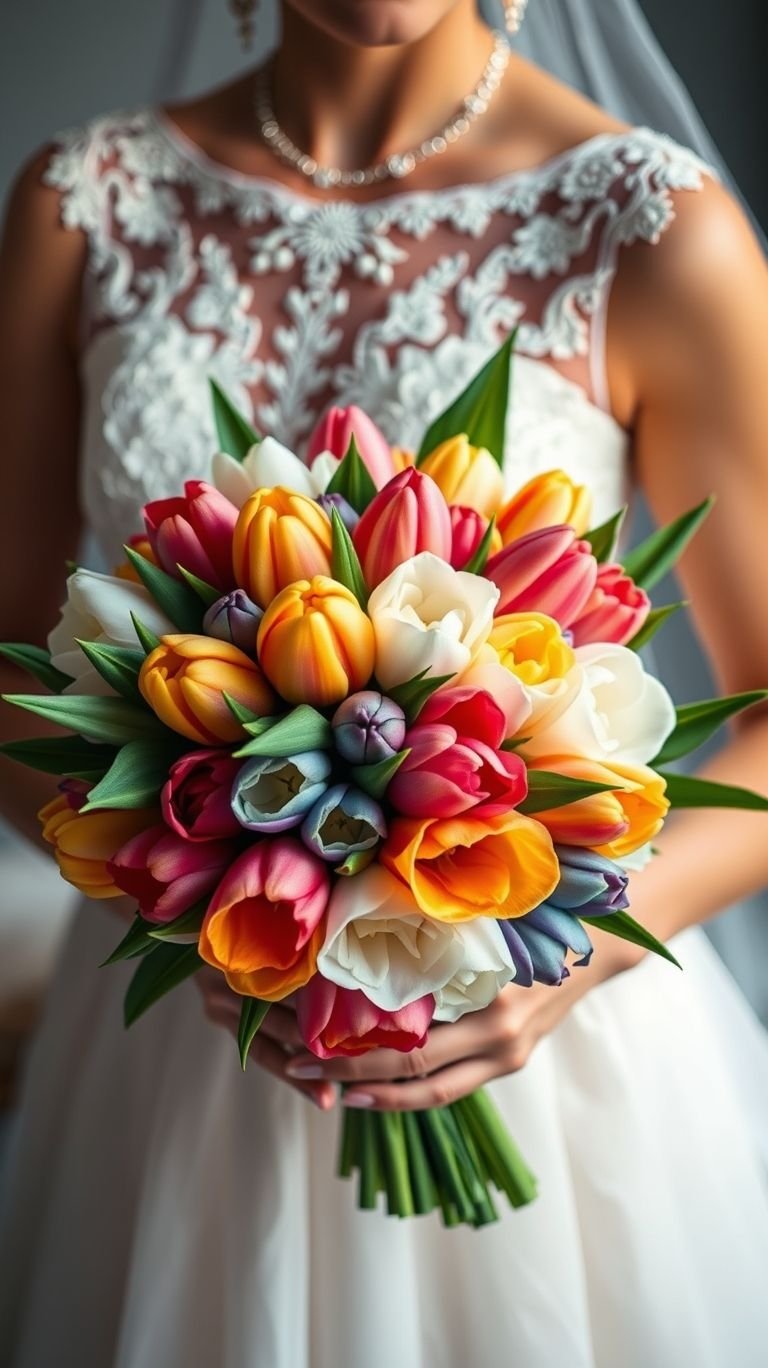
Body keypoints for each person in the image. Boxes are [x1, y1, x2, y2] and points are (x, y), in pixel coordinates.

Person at [1, 1, 767, 1364]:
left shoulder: (649, 228)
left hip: (545, 1039)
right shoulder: (81, 211)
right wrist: (190, 889)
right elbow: (12, 684)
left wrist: (553, 954)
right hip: (183, 1041)